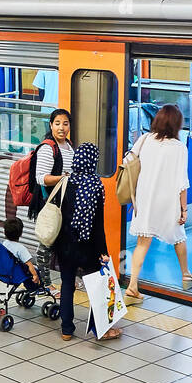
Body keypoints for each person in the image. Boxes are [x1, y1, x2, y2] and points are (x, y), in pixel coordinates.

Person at [123, 103, 192, 300]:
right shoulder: (179, 148)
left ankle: (132, 285)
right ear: (176, 124)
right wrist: (184, 210)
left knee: (142, 243)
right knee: (179, 236)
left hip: (145, 198)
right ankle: (186, 274)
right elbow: (182, 183)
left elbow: (127, 162)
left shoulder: (145, 139)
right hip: (167, 201)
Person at [51, 143, 121, 341]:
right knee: (97, 287)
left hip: (65, 244)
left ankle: (66, 329)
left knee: (67, 284)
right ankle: (102, 329)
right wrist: (103, 251)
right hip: (87, 245)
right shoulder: (96, 185)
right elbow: (98, 224)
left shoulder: (66, 181)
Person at [32, 108, 74, 291]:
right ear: (51, 125)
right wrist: (64, 178)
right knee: (46, 243)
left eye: (65, 123)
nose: (61, 128)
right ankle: (44, 284)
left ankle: (61, 281)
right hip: (49, 202)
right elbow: (40, 177)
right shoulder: (48, 148)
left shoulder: (69, 145)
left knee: (58, 243)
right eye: (57, 124)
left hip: (63, 202)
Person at [0, 217, 42, 290]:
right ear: (21, 233)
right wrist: (35, 276)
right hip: (15, 275)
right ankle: (34, 289)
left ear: (4, 232)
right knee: (33, 271)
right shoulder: (21, 248)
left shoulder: (4, 244)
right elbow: (29, 265)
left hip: (3, 272)